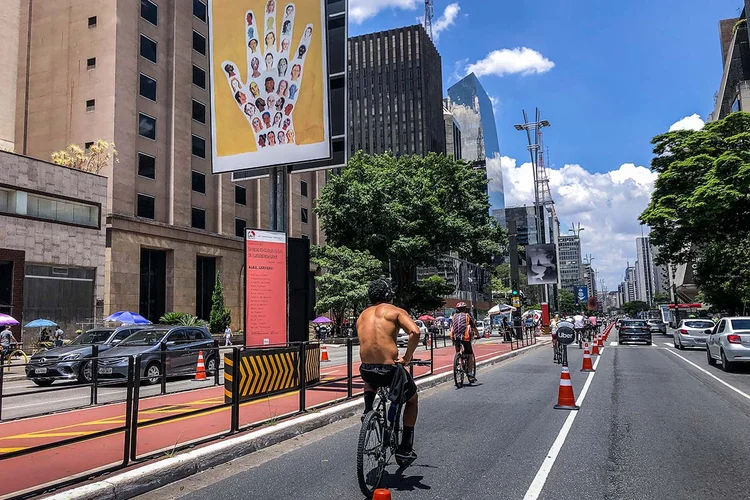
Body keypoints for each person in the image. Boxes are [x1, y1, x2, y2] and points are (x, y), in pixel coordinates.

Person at [357, 279, 420, 464]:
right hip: (390, 370)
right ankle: (405, 447)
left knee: (371, 378)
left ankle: (368, 409)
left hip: (367, 370)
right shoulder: (396, 311)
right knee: (412, 399)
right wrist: (407, 357)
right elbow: (415, 332)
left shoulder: (362, 315)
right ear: (388, 295)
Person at [450, 302, 477, 383]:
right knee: (470, 355)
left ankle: (459, 361)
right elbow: (474, 327)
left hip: (455, 338)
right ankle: (469, 372)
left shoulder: (453, 316)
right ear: (465, 309)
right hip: (465, 338)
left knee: (458, 352)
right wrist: (478, 335)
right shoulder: (467, 316)